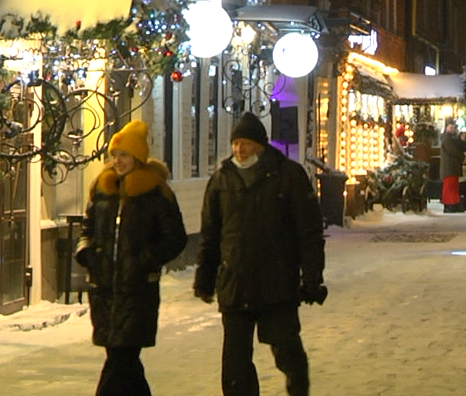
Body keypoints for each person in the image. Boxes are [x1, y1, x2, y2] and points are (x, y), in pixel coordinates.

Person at [194, 112, 326, 396]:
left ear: (260, 146)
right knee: (235, 364)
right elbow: (211, 235)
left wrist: (311, 275)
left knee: (287, 350)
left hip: (275, 283)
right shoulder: (221, 180)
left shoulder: (287, 176)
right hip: (235, 282)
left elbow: (308, 231)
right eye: (236, 143)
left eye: (245, 143)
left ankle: (298, 386)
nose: (239, 150)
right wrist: (205, 279)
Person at [77, 120, 187, 396]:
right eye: (114, 156)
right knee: (123, 361)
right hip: (104, 289)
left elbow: (175, 237)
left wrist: (145, 260)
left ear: (137, 157)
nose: (117, 161)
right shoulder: (103, 189)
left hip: (137, 289)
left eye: (123, 155)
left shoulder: (154, 192)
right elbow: (88, 228)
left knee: (121, 358)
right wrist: (88, 253)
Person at [439, 121, 466, 213]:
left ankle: (452, 204)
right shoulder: (447, 139)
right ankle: (449, 205)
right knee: (449, 187)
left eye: (454, 128)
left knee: (453, 187)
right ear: (446, 127)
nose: (453, 129)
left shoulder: (451, 138)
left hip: (452, 167)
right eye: (451, 128)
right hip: (449, 167)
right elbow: (453, 150)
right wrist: (462, 156)